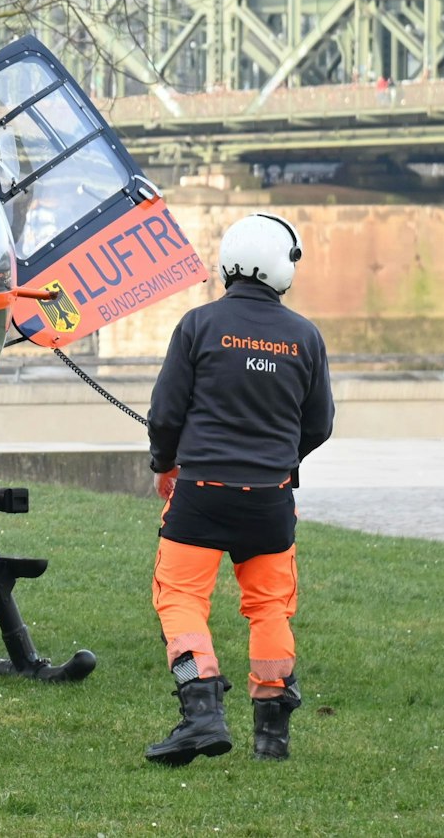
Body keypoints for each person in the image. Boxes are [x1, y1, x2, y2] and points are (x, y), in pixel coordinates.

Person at [142, 213, 334, 765]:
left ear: (228, 263)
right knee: (270, 609)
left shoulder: (198, 325)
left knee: (181, 599)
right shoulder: (305, 336)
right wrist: (281, 462)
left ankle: (201, 713)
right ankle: (272, 737)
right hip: (270, 501)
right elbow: (319, 424)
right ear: (284, 268)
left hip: (201, 494)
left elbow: (165, 414)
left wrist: (164, 464)